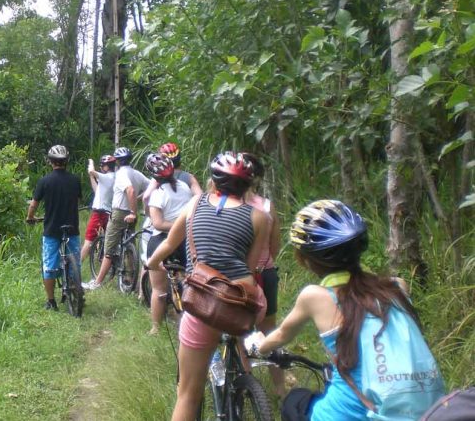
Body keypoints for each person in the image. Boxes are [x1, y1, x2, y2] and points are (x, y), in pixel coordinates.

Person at [245, 200, 444, 421]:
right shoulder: (397, 287)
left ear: (305, 260)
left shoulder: (314, 296)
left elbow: (281, 335)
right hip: (428, 410)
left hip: (347, 414)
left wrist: (258, 345)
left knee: (294, 401)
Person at [146, 151, 271, 421]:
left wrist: (151, 264)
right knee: (236, 322)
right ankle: (243, 374)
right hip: (244, 304)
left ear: (213, 182)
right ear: (248, 186)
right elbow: (249, 268)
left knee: (188, 394)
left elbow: (169, 244)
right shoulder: (260, 218)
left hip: (204, 304)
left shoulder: (194, 205)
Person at [242, 152, 284, 395]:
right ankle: (279, 388)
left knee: (234, 331)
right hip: (265, 273)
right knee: (270, 331)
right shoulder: (267, 206)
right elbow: (275, 245)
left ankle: (246, 386)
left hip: (234, 276)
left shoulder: (227, 206)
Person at [83, 146, 149, 290]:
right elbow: (150, 188)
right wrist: (137, 202)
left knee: (109, 249)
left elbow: (130, 190)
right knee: (128, 243)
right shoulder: (137, 174)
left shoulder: (120, 174)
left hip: (119, 213)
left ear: (117, 161)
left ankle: (97, 282)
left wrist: (132, 210)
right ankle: (130, 277)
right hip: (132, 214)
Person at [26, 145, 82, 311]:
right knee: (75, 263)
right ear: (67, 161)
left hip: (51, 229)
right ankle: (76, 289)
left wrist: (30, 218)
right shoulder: (75, 180)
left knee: (49, 265)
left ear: (50, 161)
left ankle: (51, 301)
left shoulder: (45, 181)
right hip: (72, 227)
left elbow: (33, 205)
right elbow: (77, 201)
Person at [144, 153, 192, 335]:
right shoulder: (184, 187)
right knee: (184, 281)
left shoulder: (158, 194)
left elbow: (157, 223)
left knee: (158, 289)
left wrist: (175, 227)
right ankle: (185, 322)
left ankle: (155, 327)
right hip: (184, 240)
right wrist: (183, 227)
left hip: (162, 241)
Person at [80, 154, 116, 262]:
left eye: (102, 165)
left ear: (107, 166)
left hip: (99, 213)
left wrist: (91, 162)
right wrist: (91, 177)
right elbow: (98, 191)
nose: (101, 168)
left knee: (89, 240)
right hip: (108, 212)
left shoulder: (107, 177)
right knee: (107, 240)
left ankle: (76, 266)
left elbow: (91, 171)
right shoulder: (112, 178)